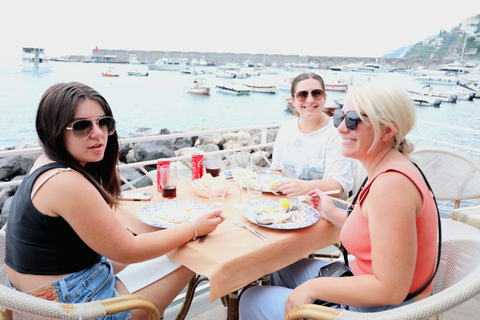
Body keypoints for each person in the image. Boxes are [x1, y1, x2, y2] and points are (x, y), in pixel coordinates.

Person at [5, 82, 225, 319]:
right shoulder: (66, 182)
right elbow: (128, 251)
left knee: (171, 246)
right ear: (53, 130)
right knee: (194, 254)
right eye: (82, 126)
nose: (98, 133)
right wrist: (194, 227)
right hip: (70, 308)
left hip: (33, 300)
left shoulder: (45, 165)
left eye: (104, 122)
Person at [239, 82, 439, 319]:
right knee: (280, 268)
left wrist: (311, 289)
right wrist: (332, 213)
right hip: (364, 281)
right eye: (339, 117)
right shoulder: (389, 167)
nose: (341, 128)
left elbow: (391, 290)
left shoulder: (391, 186)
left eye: (353, 120)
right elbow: (377, 230)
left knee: (251, 297)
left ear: (387, 131)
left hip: (384, 310)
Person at [271, 72, 353, 199]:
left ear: (324, 98)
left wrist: (306, 187)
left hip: (324, 212)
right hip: (289, 207)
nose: (309, 100)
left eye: (316, 94)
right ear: (293, 100)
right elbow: (276, 170)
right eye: (302, 95)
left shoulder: (336, 133)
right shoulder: (286, 129)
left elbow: (339, 186)